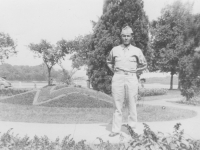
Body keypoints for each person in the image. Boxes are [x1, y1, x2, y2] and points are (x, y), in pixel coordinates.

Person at [106, 25, 147, 137]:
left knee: (132, 104)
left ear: (131, 37)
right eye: (124, 36)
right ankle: (115, 130)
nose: (126, 38)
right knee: (117, 105)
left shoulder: (137, 50)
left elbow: (144, 64)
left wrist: (135, 71)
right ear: (121, 36)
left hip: (131, 78)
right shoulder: (115, 50)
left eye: (128, 36)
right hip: (118, 77)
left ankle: (132, 130)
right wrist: (114, 70)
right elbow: (109, 62)